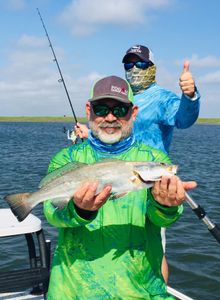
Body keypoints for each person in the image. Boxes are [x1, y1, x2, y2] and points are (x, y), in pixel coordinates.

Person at [44, 75, 197, 299]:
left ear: (133, 113)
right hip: (74, 289)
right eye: (101, 108)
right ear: (89, 110)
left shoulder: (153, 156)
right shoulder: (66, 159)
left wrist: (166, 206)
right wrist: (80, 211)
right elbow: (52, 213)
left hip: (138, 287)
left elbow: (162, 221)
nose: (109, 117)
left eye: (119, 110)